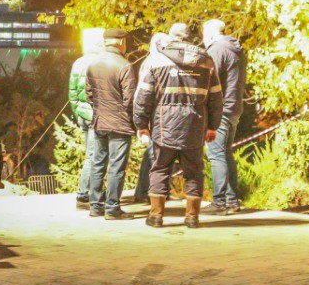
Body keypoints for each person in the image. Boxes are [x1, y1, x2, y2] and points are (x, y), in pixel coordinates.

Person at [133, 22, 222, 229]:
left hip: (164, 125)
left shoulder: (156, 60)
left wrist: (141, 124)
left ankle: (156, 216)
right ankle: (192, 217)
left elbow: (144, 96)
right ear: (188, 37)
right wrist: (212, 126)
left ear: (171, 37)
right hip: (195, 125)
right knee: (194, 171)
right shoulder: (206, 61)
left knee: (160, 169)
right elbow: (216, 98)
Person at [84, 28, 137, 220]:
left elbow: (89, 94)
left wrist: (100, 109)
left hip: (99, 121)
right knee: (116, 166)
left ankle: (95, 206)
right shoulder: (124, 65)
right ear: (121, 42)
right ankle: (112, 208)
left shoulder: (93, 64)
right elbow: (129, 99)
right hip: (120, 123)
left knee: (98, 163)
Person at [203, 18, 246, 215]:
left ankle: (219, 203)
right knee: (226, 153)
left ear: (210, 34)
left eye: (204, 34)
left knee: (216, 155)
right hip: (234, 108)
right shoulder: (235, 49)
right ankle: (232, 200)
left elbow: (209, 80)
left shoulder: (216, 50)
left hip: (220, 110)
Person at [69, 28, 104, 210]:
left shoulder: (78, 62)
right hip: (95, 115)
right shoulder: (100, 62)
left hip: (83, 115)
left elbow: (72, 93)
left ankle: (89, 191)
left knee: (89, 155)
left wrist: (79, 113)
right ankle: (84, 195)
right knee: (93, 156)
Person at [131, 32, 167, 204]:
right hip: (156, 115)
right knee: (155, 155)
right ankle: (153, 193)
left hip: (154, 114)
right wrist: (142, 121)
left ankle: (143, 191)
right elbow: (143, 92)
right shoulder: (154, 63)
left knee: (151, 153)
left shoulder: (150, 61)